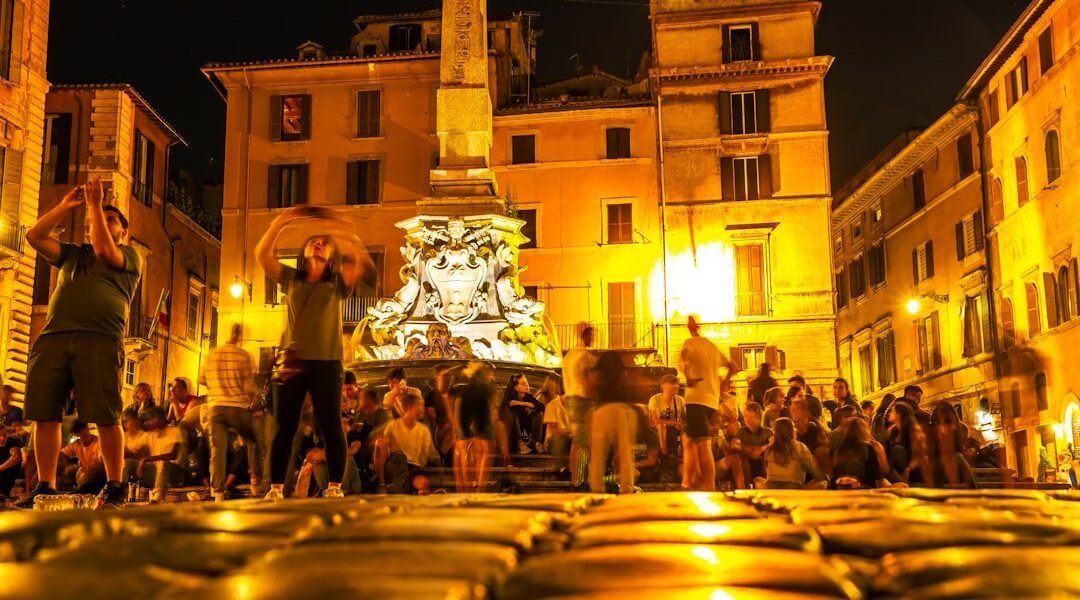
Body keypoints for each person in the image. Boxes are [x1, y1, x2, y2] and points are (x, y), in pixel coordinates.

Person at [17, 179, 143, 509]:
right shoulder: (72, 256)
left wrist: (95, 206)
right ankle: (45, 485)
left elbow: (103, 247)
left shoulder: (128, 256)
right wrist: (64, 206)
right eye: (103, 216)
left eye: (113, 218)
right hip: (54, 337)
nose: (104, 219)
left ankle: (115, 484)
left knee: (106, 415)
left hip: (99, 338)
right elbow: (34, 237)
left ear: (124, 233)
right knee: (45, 415)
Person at [256, 206, 367, 501]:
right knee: (285, 426)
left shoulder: (338, 284)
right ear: (303, 251)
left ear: (331, 256)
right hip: (293, 363)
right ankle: (276, 487)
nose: (319, 244)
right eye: (313, 241)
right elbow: (262, 255)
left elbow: (359, 260)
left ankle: (334, 486)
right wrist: (280, 223)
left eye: (324, 243)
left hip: (328, 361)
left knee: (331, 423)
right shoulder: (291, 278)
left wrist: (343, 232)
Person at [199, 323, 261, 502]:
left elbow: (203, 379)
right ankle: (254, 479)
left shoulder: (211, 354)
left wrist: (218, 386)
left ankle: (217, 492)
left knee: (217, 450)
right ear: (240, 335)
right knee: (253, 439)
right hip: (236, 407)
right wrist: (254, 404)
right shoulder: (243, 356)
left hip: (215, 407)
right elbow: (249, 387)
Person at [680, 315, 732, 491]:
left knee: (703, 444)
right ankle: (689, 481)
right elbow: (733, 366)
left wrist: (688, 377)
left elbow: (685, 357)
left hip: (696, 399)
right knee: (687, 438)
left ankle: (709, 487)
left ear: (691, 326)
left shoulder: (690, 343)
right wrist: (723, 384)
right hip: (711, 401)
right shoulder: (711, 346)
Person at [589, 352, 639, 494]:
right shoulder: (621, 369)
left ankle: (597, 489)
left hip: (602, 409)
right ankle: (626, 489)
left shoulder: (598, 369)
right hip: (620, 409)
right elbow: (628, 384)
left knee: (598, 453)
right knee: (625, 453)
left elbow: (591, 384)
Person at [375, 390, 439, 494]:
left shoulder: (423, 429)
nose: (423, 409)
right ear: (410, 407)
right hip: (396, 466)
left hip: (414, 469)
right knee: (380, 443)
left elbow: (431, 454)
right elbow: (382, 449)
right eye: (419, 406)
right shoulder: (393, 426)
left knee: (422, 483)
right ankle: (383, 485)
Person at [127, 406, 188, 503]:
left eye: (151, 419)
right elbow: (133, 451)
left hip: (177, 475)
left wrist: (146, 459)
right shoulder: (150, 435)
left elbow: (172, 455)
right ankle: (117, 492)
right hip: (157, 474)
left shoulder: (175, 431)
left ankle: (157, 497)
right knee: (129, 463)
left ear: (160, 418)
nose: (147, 422)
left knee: (164, 464)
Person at [563, 323, 598, 489]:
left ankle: (576, 477)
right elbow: (586, 380)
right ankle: (583, 479)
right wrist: (594, 398)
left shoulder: (570, 355)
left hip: (571, 398)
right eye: (590, 335)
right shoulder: (584, 356)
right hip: (583, 400)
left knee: (578, 441)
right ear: (583, 335)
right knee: (587, 441)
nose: (593, 338)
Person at [454, 362, 495, 493]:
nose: (492, 376)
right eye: (489, 373)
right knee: (483, 450)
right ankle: (480, 487)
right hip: (478, 408)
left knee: (464, 448)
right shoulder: (485, 391)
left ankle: (465, 487)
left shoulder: (464, 390)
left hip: (464, 406)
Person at [756, 418, 824, 489]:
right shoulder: (800, 447)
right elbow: (816, 472)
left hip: (772, 489)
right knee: (823, 482)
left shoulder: (770, 449)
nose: (796, 430)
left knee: (757, 480)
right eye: (794, 427)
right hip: (793, 490)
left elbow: (767, 471)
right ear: (791, 431)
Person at [924, 402, 977, 489]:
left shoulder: (961, 428)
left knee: (958, 457)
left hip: (955, 463)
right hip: (938, 464)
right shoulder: (932, 429)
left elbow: (961, 448)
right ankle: (976, 493)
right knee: (958, 457)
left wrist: (971, 450)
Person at [831, 418, 892, 489]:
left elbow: (835, 473)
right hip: (864, 489)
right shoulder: (868, 448)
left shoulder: (840, 448)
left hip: (841, 488)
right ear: (865, 430)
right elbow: (876, 475)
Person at [791, 395, 831, 481]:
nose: (793, 413)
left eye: (796, 410)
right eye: (792, 410)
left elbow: (827, 456)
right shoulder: (791, 430)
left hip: (814, 475)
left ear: (806, 412)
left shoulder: (817, 432)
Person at [885, 401, 926, 484]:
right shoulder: (892, 430)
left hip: (912, 469)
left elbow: (920, 455)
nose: (889, 413)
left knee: (898, 449)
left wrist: (908, 469)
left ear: (899, 414)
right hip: (896, 471)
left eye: (892, 411)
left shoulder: (913, 430)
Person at [59, 421, 106, 493]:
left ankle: (83, 494)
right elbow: (62, 453)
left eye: (84, 430)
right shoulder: (76, 444)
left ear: (87, 428)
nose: (82, 433)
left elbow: (100, 464)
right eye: (79, 432)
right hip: (87, 472)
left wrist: (84, 469)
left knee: (83, 475)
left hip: (101, 474)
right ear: (76, 434)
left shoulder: (99, 442)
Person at [503, 374, 544, 454]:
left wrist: (522, 403)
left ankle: (536, 442)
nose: (527, 385)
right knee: (513, 414)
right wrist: (528, 406)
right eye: (523, 384)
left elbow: (541, 406)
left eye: (527, 382)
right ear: (516, 387)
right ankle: (520, 444)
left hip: (525, 426)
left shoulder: (527, 396)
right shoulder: (509, 397)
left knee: (537, 413)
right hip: (512, 431)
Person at [424, 364, 456, 461]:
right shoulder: (430, 396)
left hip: (454, 429)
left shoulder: (456, 393)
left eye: (451, 376)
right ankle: (441, 455)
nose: (449, 379)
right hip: (439, 430)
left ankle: (442, 455)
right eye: (445, 375)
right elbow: (433, 419)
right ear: (437, 377)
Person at [648, 374, 685, 457]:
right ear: (663, 386)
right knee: (662, 426)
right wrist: (677, 423)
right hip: (657, 429)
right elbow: (656, 420)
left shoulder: (680, 400)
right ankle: (664, 455)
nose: (675, 386)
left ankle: (683, 455)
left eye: (676, 384)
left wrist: (683, 423)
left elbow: (684, 418)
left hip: (675, 428)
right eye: (672, 383)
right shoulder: (655, 400)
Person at [734, 402, 772, 482]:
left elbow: (774, 442)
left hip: (762, 461)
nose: (747, 419)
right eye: (745, 416)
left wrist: (761, 449)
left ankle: (766, 483)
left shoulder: (767, 432)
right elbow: (734, 444)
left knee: (768, 454)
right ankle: (748, 486)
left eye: (750, 416)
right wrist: (750, 450)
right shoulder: (741, 431)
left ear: (758, 417)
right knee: (742, 456)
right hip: (746, 462)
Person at [542, 377, 571, 457]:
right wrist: (571, 431)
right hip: (553, 441)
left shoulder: (575, 407)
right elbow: (553, 431)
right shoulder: (552, 405)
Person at [0, 427, 23, 498]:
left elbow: (16, 457)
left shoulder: (11, 442)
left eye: (4, 435)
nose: (2, 438)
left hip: (9, 475)